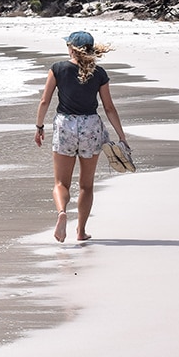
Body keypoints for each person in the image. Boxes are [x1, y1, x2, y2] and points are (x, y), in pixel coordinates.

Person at [34, 30, 129, 242]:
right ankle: (80, 231)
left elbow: (44, 101)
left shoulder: (58, 68)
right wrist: (122, 137)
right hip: (91, 127)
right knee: (86, 185)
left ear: (70, 48)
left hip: (65, 125)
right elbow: (109, 107)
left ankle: (61, 213)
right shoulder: (100, 73)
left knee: (61, 183)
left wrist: (39, 126)